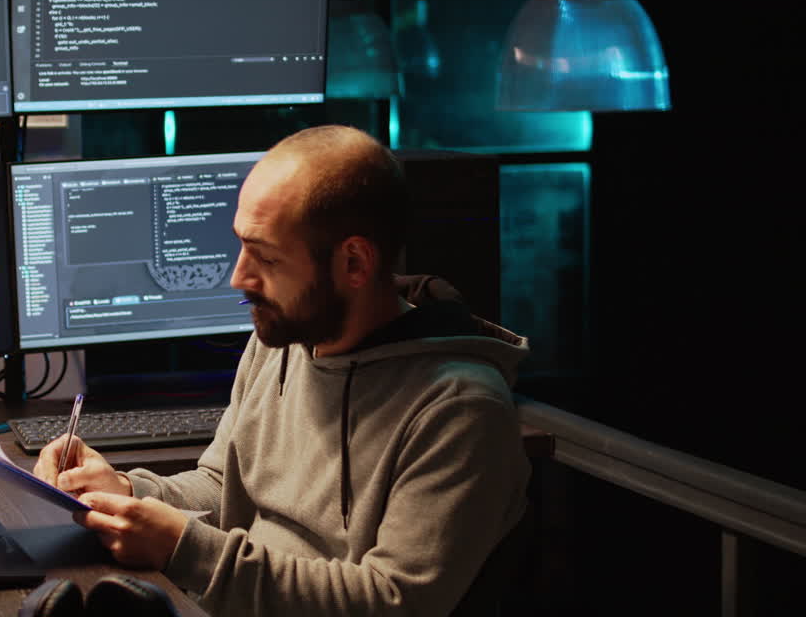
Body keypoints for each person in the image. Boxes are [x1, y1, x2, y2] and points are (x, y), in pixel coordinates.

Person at [34, 125, 531, 617]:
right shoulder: (283, 339)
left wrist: (183, 549)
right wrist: (126, 491)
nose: (238, 277)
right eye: (242, 245)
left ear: (353, 263)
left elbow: (391, 601)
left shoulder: (461, 409)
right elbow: (222, 485)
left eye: (266, 257)